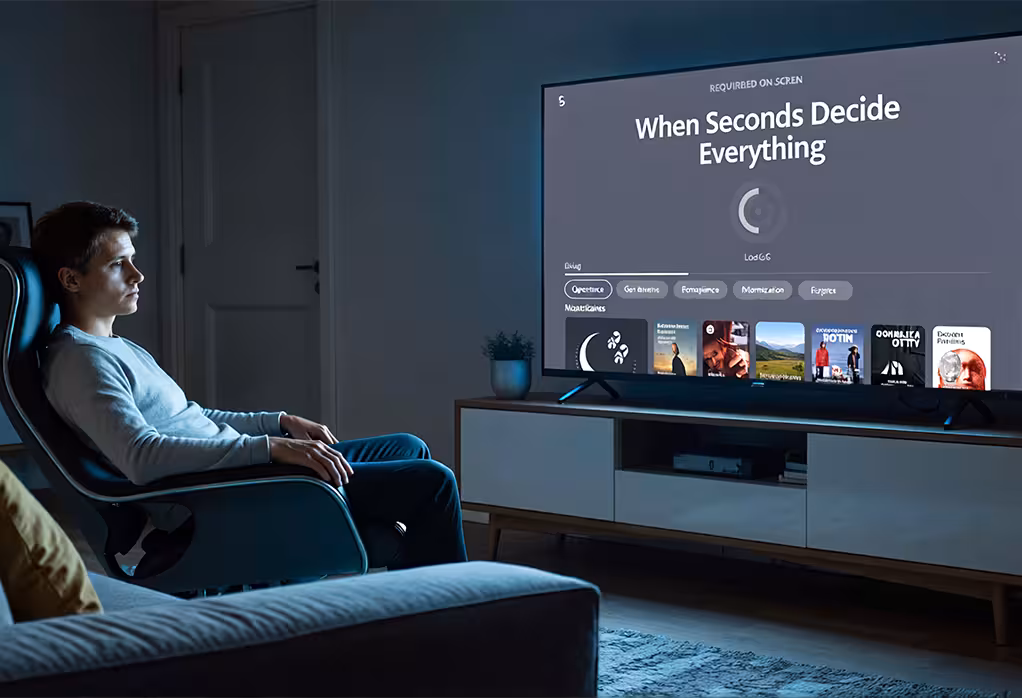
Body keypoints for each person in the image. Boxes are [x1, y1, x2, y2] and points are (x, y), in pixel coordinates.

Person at [31, 201, 467, 573]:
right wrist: (270, 449)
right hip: (229, 496)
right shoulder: (82, 362)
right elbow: (141, 458)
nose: (137, 275)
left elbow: (191, 417)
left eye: (132, 259)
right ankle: (452, 614)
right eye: (117, 264)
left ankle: (411, 595)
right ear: (71, 280)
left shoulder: (115, 346)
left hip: (244, 471)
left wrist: (277, 423)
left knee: (406, 447)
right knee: (432, 482)